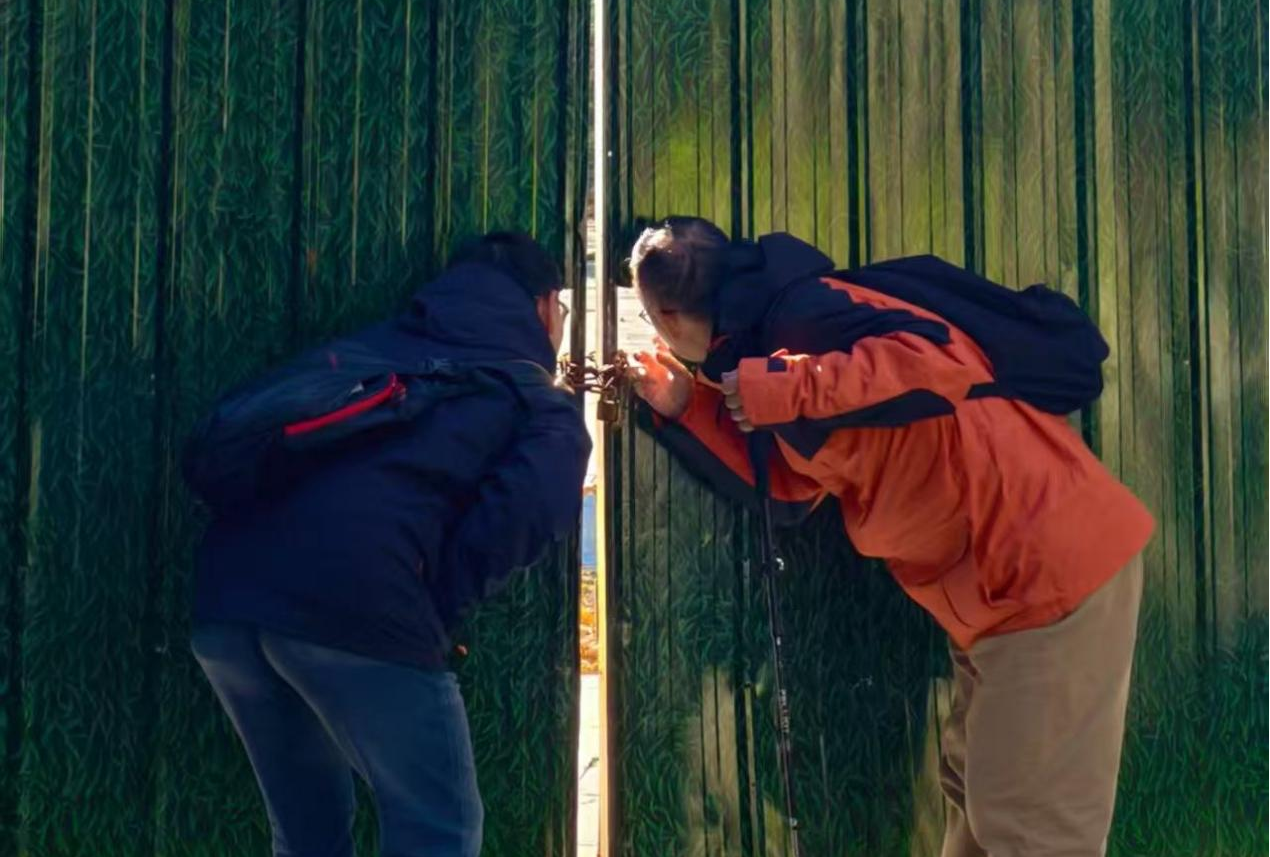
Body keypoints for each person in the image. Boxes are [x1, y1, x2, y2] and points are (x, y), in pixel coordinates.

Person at [626, 216, 1154, 857]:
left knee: (1031, 828)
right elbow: (794, 486)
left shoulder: (808, 314)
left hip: (1044, 572)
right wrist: (690, 406)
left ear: (668, 318)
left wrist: (788, 387)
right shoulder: (769, 339)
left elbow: (943, 364)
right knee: (977, 798)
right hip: (998, 590)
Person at [189, 232, 590, 857]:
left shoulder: (375, 348)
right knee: (440, 829)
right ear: (545, 306)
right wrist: (431, 608)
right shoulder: (535, 398)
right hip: (357, 603)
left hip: (228, 601)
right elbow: (528, 511)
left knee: (309, 833)